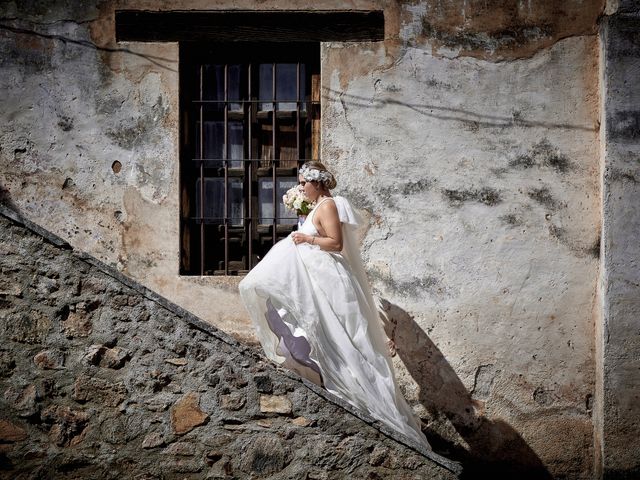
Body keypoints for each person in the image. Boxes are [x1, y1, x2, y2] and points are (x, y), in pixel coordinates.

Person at [238, 161, 431, 449]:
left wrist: (306, 237)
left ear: (318, 182)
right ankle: (328, 375)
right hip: (318, 274)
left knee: (342, 336)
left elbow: (336, 243)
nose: (301, 187)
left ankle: (361, 394)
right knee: (313, 327)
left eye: (304, 182)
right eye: (301, 183)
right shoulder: (316, 206)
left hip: (329, 276)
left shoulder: (328, 205)